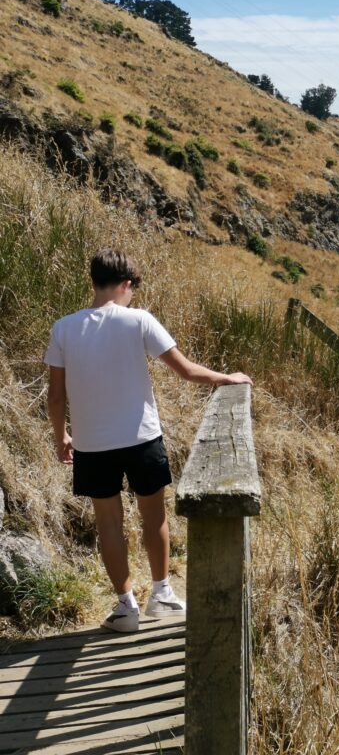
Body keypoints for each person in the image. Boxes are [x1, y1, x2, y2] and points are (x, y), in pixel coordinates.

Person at [45, 249, 252, 633]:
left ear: (93, 283)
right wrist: (227, 377)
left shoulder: (64, 329)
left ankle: (126, 608)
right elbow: (186, 371)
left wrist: (62, 437)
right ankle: (162, 594)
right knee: (153, 516)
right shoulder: (138, 320)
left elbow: (55, 396)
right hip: (141, 438)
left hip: (91, 444)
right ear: (126, 285)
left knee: (108, 523)